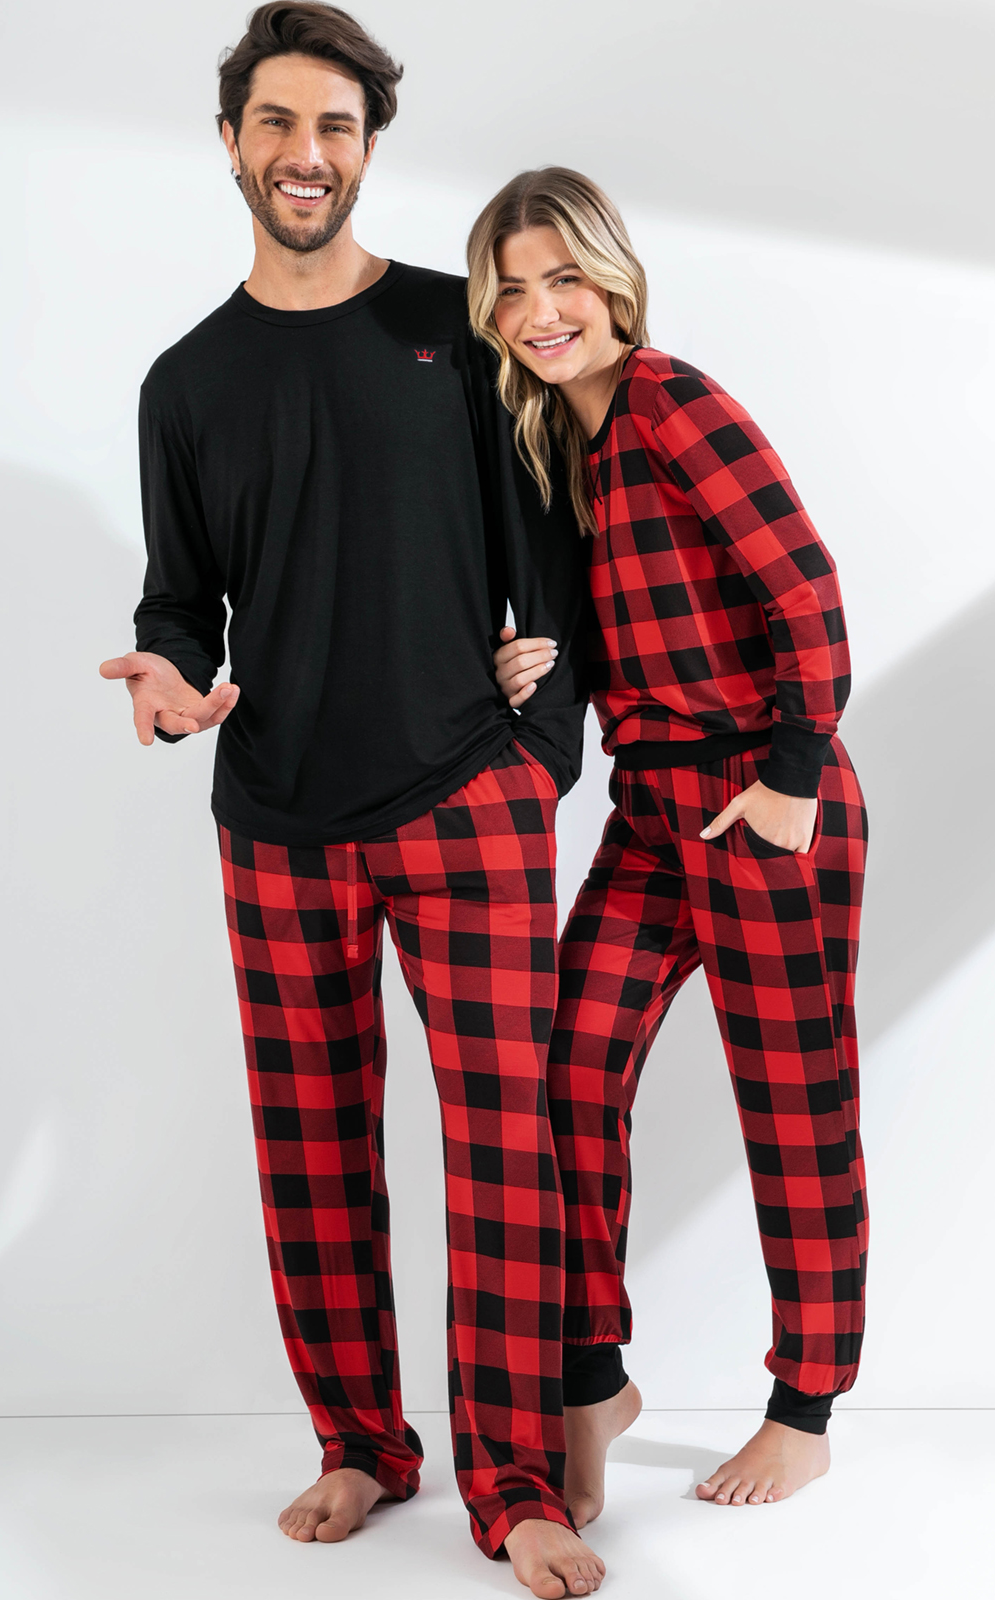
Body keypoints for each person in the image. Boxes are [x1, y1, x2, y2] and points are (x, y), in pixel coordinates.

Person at [99, 12, 606, 1595]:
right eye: (275, 122)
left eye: (334, 123)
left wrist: (544, 752)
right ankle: (362, 1444)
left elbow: (557, 550)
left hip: (468, 800)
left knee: (506, 1153)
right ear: (231, 142)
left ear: (369, 145)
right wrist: (171, 675)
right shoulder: (186, 383)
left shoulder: (461, 329)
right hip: (275, 820)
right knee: (311, 1155)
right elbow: (183, 597)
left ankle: (512, 1482)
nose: (304, 152)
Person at [468, 167, 868, 1523]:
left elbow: (806, 586)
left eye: (564, 279)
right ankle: (592, 1377)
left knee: (794, 1106)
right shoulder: (561, 446)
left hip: (762, 798)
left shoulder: (672, 401)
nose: (542, 310)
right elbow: (618, 628)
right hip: (650, 812)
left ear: (613, 282)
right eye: (513, 290)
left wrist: (795, 775)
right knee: (566, 1069)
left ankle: (806, 1412)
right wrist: (533, 662)